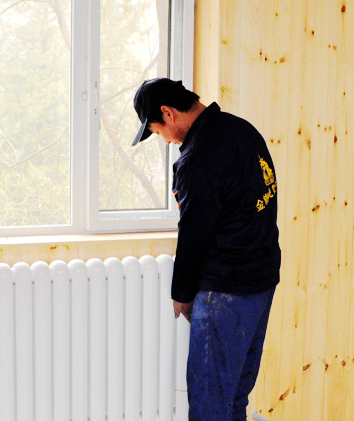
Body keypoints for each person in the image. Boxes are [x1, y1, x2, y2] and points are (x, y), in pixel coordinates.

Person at [132, 78, 281, 421]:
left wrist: (182, 294)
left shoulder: (198, 159)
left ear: (168, 113)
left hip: (225, 290)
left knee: (209, 403)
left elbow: (194, 233)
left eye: (157, 130)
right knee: (234, 397)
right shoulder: (242, 130)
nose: (165, 139)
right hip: (261, 280)